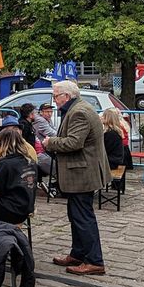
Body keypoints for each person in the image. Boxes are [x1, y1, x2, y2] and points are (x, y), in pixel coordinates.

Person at [44, 81, 110, 276]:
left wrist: (50, 143)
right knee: (76, 215)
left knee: (83, 217)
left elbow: (74, 142)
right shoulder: (77, 108)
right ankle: (78, 253)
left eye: (56, 96)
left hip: (82, 172)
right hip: (81, 171)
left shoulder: (79, 112)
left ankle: (94, 261)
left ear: (67, 96)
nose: (54, 101)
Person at [101, 108, 131, 194]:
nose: (101, 117)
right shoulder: (112, 132)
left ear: (108, 118)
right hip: (114, 159)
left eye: (103, 116)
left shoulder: (111, 134)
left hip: (113, 161)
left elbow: (105, 150)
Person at [31, 101, 58, 176]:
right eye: (47, 112)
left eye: (51, 112)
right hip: (41, 149)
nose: (50, 114)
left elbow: (54, 130)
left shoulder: (47, 119)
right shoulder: (40, 120)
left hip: (46, 146)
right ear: (41, 112)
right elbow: (51, 133)